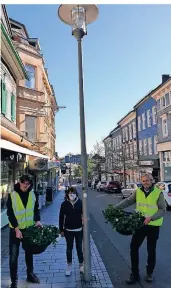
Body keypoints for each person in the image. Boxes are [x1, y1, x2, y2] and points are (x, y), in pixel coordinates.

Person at [114, 173, 166, 285]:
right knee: (133, 247)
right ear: (141, 182)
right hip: (139, 224)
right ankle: (134, 274)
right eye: (143, 181)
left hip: (153, 226)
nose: (145, 183)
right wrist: (115, 208)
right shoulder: (138, 191)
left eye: (147, 180)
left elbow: (162, 209)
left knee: (151, 250)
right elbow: (128, 201)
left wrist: (151, 218)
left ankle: (149, 273)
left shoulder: (158, 193)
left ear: (152, 180)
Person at [7, 174, 42, 288]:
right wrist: (17, 229)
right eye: (24, 183)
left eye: (28, 184)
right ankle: (14, 281)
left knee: (29, 253)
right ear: (19, 182)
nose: (25, 186)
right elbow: (10, 214)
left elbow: (36, 209)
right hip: (15, 230)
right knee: (13, 256)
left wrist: (37, 221)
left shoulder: (33, 194)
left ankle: (30, 275)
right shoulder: (12, 195)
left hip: (29, 229)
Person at [59, 186, 84, 276]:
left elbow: (84, 215)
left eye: (73, 193)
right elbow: (61, 217)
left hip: (79, 230)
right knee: (69, 249)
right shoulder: (64, 204)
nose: (72, 195)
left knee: (79, 248)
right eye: (70, 193)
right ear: (67, 194)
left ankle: (81, 265)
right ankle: (69, 266)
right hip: (68, 230)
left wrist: (84, 225)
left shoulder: (80, 203)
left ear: (76, 194)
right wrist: (61, 229)